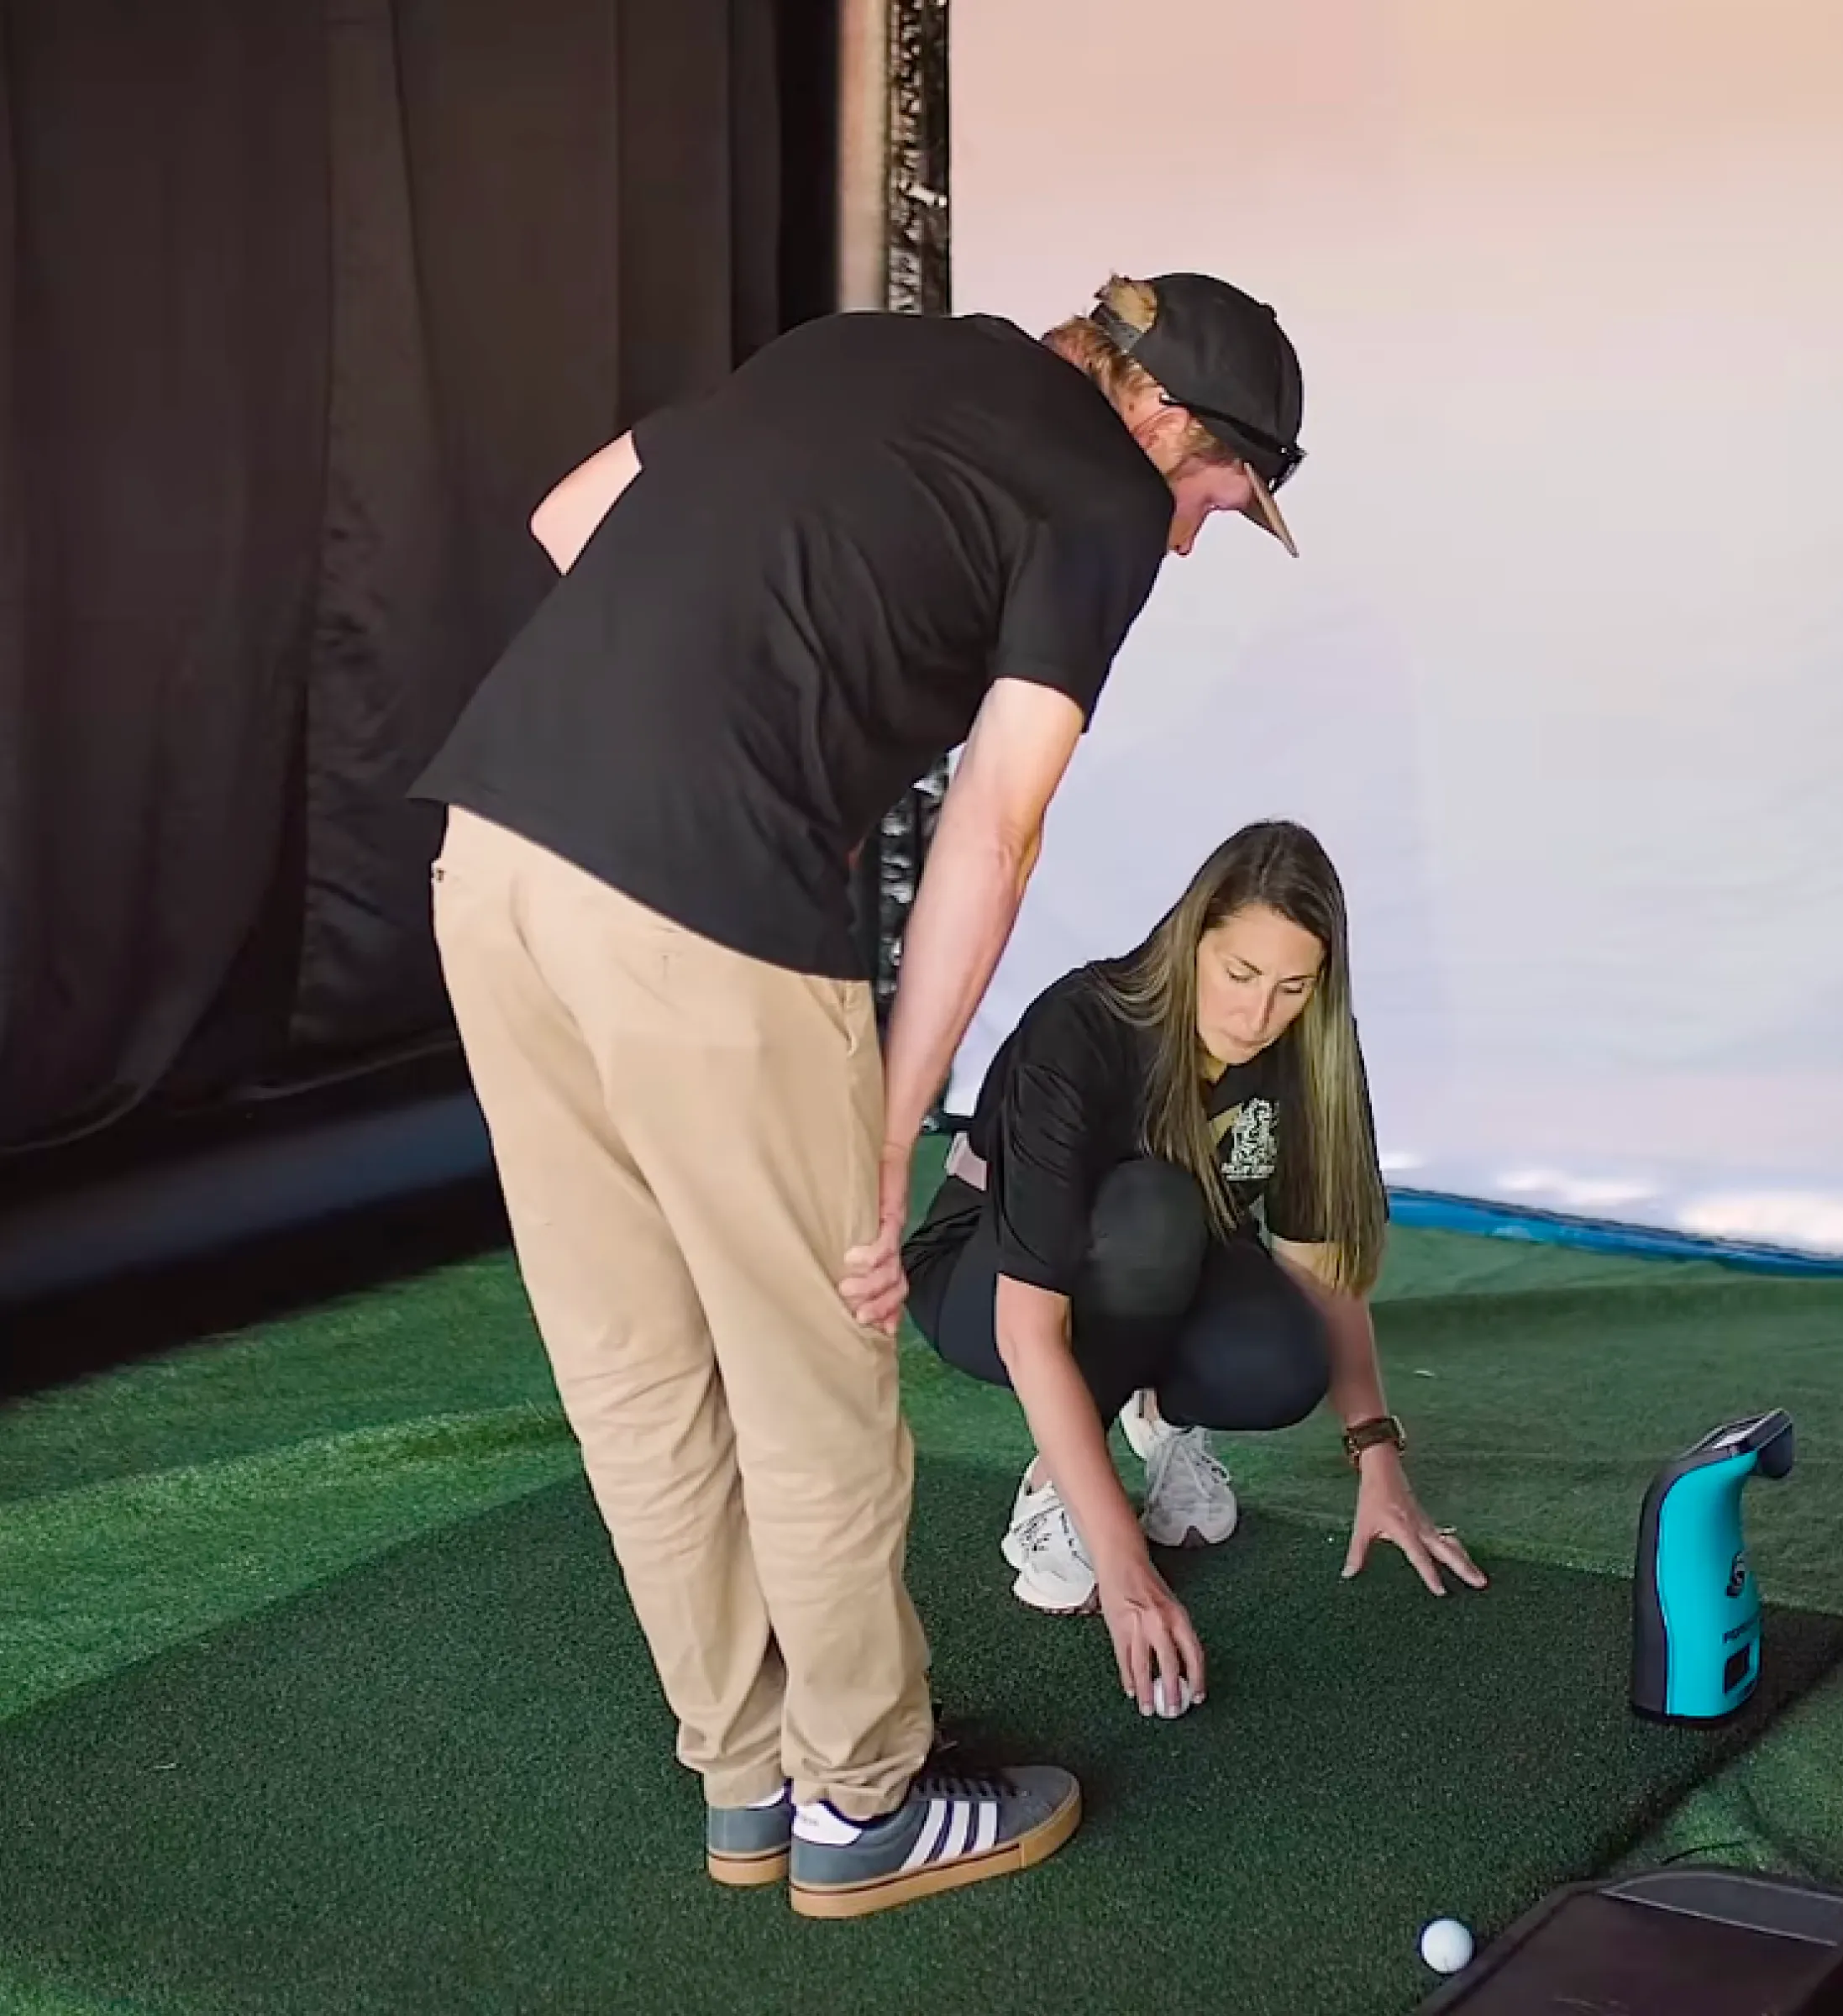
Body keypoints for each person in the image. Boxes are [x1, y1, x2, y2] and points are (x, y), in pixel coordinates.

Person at [412, 272, 1310, 1919]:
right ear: (1170, 423)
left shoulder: (855, 350)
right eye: (1214, 500)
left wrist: (731, 711)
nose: (1184, 541)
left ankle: (744, 1776)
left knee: (630, 1367)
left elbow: (569, 519)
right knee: (818, 1374)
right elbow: (995, 825)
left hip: (496, 859)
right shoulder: (1097, 492)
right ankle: (865, 1804)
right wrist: (891, 1118)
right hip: (705, 914)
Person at [902, 822, 1488, 1718]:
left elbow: (1324, 1276)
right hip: (987, 1279)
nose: (1259, 1014)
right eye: (1240, 974)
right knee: (1151, 1212)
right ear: (1190, 940)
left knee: (1282, 1364)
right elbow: (1028, 1327)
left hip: (1167, 1267)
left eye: (1293, 988)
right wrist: (1124, 1566)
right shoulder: (1085, 1025)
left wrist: (1379, 1463)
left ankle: (1161, 1413)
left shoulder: (1311, 1052)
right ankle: (1058, 1483)